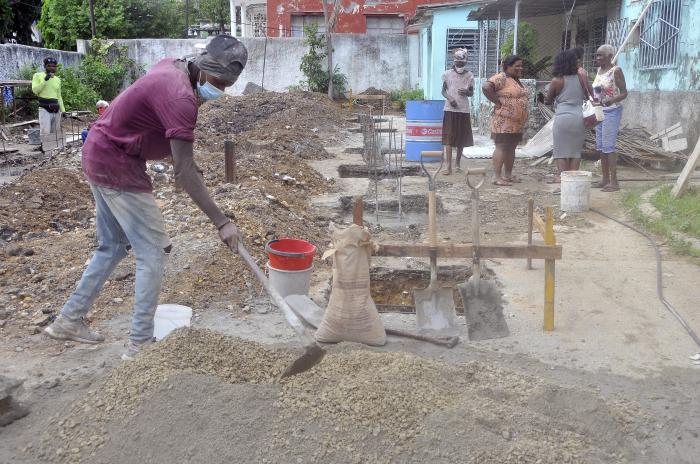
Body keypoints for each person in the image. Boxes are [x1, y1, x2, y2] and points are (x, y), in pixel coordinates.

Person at [44, 35, 248, 360]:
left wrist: (189, 170)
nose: (220, 91)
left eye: (227, 85)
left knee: (111, 246)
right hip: (116, 163)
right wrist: (221, 222)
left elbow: (160, 134)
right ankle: (140, 347)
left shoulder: (174, 67)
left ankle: (69, 320)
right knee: (152, 252)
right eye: (218, 82)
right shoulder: (181, 97)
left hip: (99, 150)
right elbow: (182, 171)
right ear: (204, 68)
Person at [482, 55, 529, 186]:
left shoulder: (515, 80)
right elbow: (486, 87)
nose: (520, 68)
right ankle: (496, 177)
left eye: (521, 65)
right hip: (503, 121)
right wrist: (497, 102)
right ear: (507, 67)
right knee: (502, 147)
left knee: (511, 147)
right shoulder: (502, 77)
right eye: (517, 66)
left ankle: (507, 175)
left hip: (516, 123)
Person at [546, 49, 589, 184]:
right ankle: (573, 177)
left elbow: (548, 101)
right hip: (578, 118)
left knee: (561, 150)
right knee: (575, 151)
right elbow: (589, 95)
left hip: (562, 118)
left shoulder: (556, 81)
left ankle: (561, 177)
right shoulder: (582, 78)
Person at [592, 44, 627, 192]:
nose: (598, 58)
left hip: (612, 111)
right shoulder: (600, 70)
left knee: (609, 147)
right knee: (601, 147)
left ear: (610, 56)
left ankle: (614, 182)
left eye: (601, 55)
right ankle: (605, 179)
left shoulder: (616, 71)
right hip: (600, 111)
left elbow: (624, 92)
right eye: (597, 55)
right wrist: (595, 100)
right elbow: (597, 90)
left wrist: (611, 100)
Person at [441, 48, 474, 175]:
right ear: (454, 61)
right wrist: (450, 98)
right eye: (457, 62)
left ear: (466, 62)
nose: (459, 64)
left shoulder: (469, 75)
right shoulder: (447, 74)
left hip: (463, 110)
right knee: (448, 138)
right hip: (450, 109)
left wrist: (467, 92)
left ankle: (457, 165)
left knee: (461, 138)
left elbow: (471, 93)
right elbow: (443, 91)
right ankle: (448, 166)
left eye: (462, 62)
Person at [32, 57, 65, 136]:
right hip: (44, 108)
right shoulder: (38, 75)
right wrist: (45, 80)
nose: (51, 68)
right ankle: (45, 148)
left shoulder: (58, 80)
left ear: (56, 67)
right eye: (49, 66)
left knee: (56, 134)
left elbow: (59, 96)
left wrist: (63, 110)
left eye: (53, 66)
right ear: (45, 66)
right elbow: (35, 91)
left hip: (56, 109)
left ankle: (55, 148)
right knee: (45, 133)